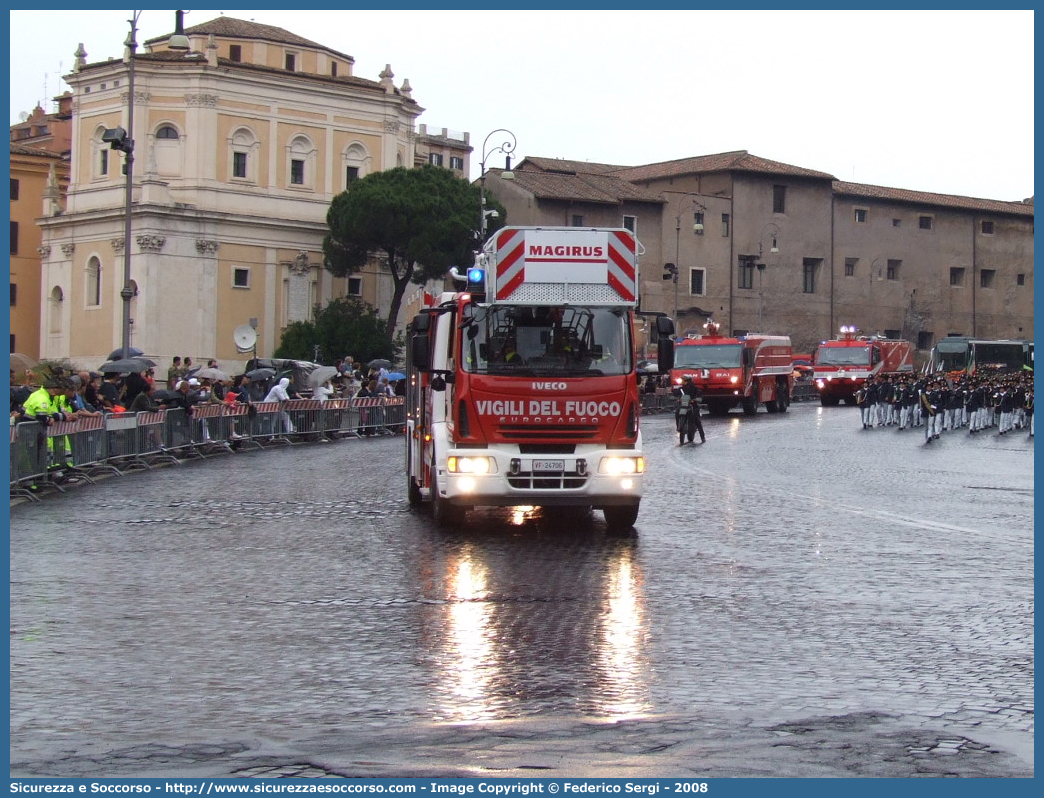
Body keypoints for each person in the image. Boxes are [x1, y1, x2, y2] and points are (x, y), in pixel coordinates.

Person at [672, 374, 705, 444]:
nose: (681, 382)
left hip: (692, 406)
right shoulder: (681, 389)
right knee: (677, 412)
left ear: (686, 381)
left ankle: (702, 437)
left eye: (683, 380)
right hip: (683, 406)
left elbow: (700, 397)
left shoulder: (695, 389)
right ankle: (679, 426)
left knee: (697, 421)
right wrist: (677, 399)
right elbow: (674, 395)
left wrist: (695, 400)